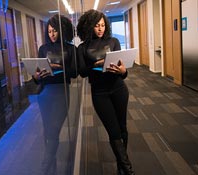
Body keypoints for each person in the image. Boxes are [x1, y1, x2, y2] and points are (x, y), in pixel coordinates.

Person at [76, 9, 135, 175]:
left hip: (119, 89)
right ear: (88, 26)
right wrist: (97, 64)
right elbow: (82, 72)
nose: (100, 29)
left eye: (102, 25)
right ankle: (128, 168)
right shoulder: (82, 48)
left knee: (122, 127)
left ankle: (121, 166)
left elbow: (123, 73)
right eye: (96, 26)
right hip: (100, 93)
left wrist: (123, 70)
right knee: (113, 130)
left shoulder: (114, 41)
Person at [32, 14, 76, 174]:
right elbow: (37, 74)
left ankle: (45, 164)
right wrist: (35, 77)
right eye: (49, 31)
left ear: (61, 31)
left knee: (55, 128)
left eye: (54, 31)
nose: (52, 34)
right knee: (47, 128)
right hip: (45, 93)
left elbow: (74, 73)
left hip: (61, 92)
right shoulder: (43, 49)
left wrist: (58, 68)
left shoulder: (70, 48)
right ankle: (52, 161)